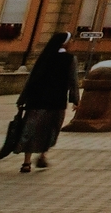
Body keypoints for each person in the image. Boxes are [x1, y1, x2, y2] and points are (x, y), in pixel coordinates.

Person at [17, 33, 78, 172]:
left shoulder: (44, 57)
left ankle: (26, 162)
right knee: (51, 129)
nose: (72, 43)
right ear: (64, 43)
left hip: (36, 100)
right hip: (56, 101)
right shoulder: (69, 59)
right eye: (71, 40)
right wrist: (75, 100)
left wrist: (22, 98)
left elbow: (31, 79)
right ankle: (42, 155)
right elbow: (73, 81)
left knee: (31, 129)